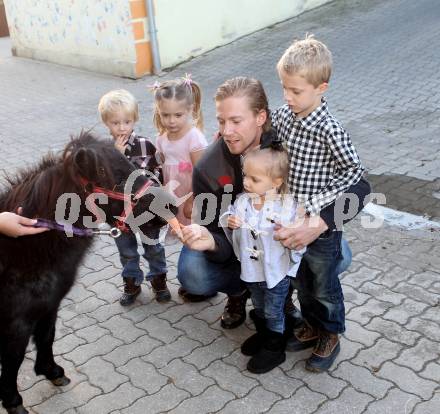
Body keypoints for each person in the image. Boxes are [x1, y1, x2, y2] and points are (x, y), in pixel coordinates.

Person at [178, 76, 369, 331]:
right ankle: (240, 292)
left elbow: (361, 188)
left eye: (236, 121)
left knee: (339, 256)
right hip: (240, 243)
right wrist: (211, 241)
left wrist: (319, 223)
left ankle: (282, 290)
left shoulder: (292, 140)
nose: (227, 131)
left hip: (282, 236)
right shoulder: (208, 169)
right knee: (194, 272)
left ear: (260, 118)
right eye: (222, 121)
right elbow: (216, 236)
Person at [271, 35, 369, 372]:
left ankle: (330, 332)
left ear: (321, 87)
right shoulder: (285, 116)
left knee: (324, 284)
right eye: (285, 88)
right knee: (301, 281)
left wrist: (316, 204)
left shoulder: (330, 130)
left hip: (322, 230)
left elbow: (355, 173)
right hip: (289, 219)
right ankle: (311, 326)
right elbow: (267, 132)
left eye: (296, 91)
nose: (288, 96)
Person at [222, 145, 304, 373]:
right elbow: (230, 215)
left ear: (276, 182)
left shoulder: (286, 207)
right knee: (258, 304)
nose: (246, 182)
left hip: (275, 272)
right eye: (245, 176)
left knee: (273, 310)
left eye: (254, 179)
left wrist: (287, 230)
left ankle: (274, 346)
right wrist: (230, 220)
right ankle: (263, 334)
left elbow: (298, 236)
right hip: (251, 270)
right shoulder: (242, 201)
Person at [98, 89, 171, 306]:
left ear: (135, 119)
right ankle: (132, 282)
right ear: (106, 123)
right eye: (115, 122)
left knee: (154, 247)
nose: (122, 127)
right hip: (118, 213)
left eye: (127, 121)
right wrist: (115, 156)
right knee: (127, 250)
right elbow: (101, 181)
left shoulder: (145, 144)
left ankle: (159, 280)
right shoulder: (103, 150)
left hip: (146, 209)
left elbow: (156, 173)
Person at [152, 74, 208, 227]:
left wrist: (192, 201)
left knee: (194, 231)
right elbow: (163, 171)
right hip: (173, 196)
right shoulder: (161, 139)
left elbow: (202, 175)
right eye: (165, 115)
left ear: (190, 110)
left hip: (191, 196)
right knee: (180, 231)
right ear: (158, 112)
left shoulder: (194, 138)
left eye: (178, 115)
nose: (171, 121)